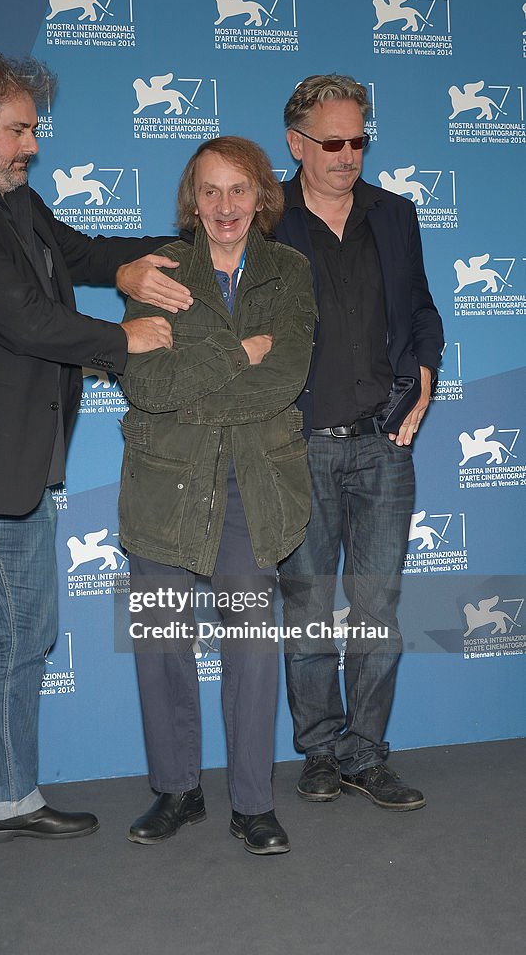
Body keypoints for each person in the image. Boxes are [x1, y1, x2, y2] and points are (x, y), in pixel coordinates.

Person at [0, 49, 192, 909]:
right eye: (16, 131)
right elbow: (21, 321)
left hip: (20, 464)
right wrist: (123, 338)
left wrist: (180, 249)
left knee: (26, 639)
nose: (31, 147)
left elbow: (83, 254)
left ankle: (6, 799)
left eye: (34, 131)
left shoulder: (13, 199)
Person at [118, 137, 316, 854]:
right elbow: (143, 383)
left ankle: (253, 804)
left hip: (251, 481)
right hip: (164, 476)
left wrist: (196, 382)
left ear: (262, 196)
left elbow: (285, 374)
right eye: (210, 191)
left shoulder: (290, 270)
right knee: (163, 641)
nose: (225, 206)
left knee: (253, 648)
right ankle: (176, 791)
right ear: (191, 200)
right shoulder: (159, 272)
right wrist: (239, 351)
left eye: (239, 190)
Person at [276, 74, 444, 810]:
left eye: (358, 141)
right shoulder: (263, 218)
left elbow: (424, 311)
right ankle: (318, 749)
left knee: (377, 609)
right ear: (296, 143)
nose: (348, 155)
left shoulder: (395, 215)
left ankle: (365, 753)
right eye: (332, 142)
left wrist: (428, 376)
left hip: (385, 444)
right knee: (309, 608)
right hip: (300, 445)